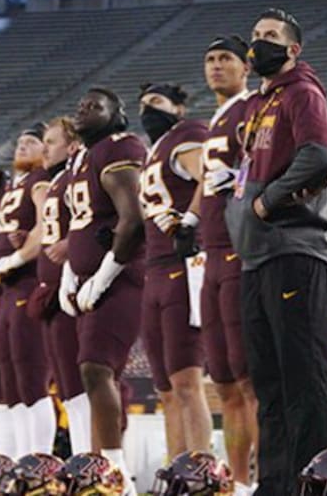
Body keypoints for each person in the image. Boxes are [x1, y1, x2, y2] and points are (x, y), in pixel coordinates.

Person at [224, 8, 327, 496]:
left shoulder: (303, 94)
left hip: (294, 250)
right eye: (254, 36)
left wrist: (270, 201)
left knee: (304, 383)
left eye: (270, 36)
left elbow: (319, 155)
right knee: (268, 387)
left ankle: (317, 485)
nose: (258, 43)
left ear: (293, 50)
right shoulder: (256, 105)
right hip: (257, 257)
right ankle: (275, 487)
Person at [62, 86, 148, 493]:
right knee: (92, 373)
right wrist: (70, 274)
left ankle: (116, 475)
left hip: (121, 277)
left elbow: (132, 219)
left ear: (117, 114)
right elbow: (79, 223)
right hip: (87, 281)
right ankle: (104, 466)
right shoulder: (81, 157)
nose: (84, 111)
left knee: (96, 368)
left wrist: (104, 275)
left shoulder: (119, 146)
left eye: (95, 106)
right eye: (80, 106)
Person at [136, 82, 213, 459]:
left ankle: (201, 470)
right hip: (154, 268)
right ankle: (177, 471)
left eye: (156, 102)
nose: (147, 110)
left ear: (179, 108)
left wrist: (191, 221)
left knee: (186, 380)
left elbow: (208, 178)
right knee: (164, 388)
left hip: (182, 265)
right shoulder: (153, 152)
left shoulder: (187, 135)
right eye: (143, 104)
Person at [196, 35, 257, 493]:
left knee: (247, 377)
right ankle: (236, 482)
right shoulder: (214, 120)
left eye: (226, 59)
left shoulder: (252, 107)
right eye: (211, 59)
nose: (217, 66)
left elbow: (272, 162)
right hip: (210, 254)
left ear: (246, 67)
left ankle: (260, 477)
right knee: (224, 383)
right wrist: (189, 219)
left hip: (241, 248)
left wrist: (239, 178)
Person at [0, 125, 55, 456]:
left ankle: (38, 461)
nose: (23, 146)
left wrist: (16, 256)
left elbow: (46, 225)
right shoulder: (12, 188)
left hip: (28, 283)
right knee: (9, 384)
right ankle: (13, 462)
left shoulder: (39, 179)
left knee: (31, 380)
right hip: (7, 290)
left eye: (32, 142)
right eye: (20, 142)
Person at [33, 116, 91, 455]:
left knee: (84, 383)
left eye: (51, 143)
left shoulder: (76, 175)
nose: (45, 150)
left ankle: (92, 461)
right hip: (54, 289)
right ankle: (81, 459)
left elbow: (95, 217)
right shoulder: (55, 182)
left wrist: (71, 246)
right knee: (67, 386)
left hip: (76, 284)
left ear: (71, 146)